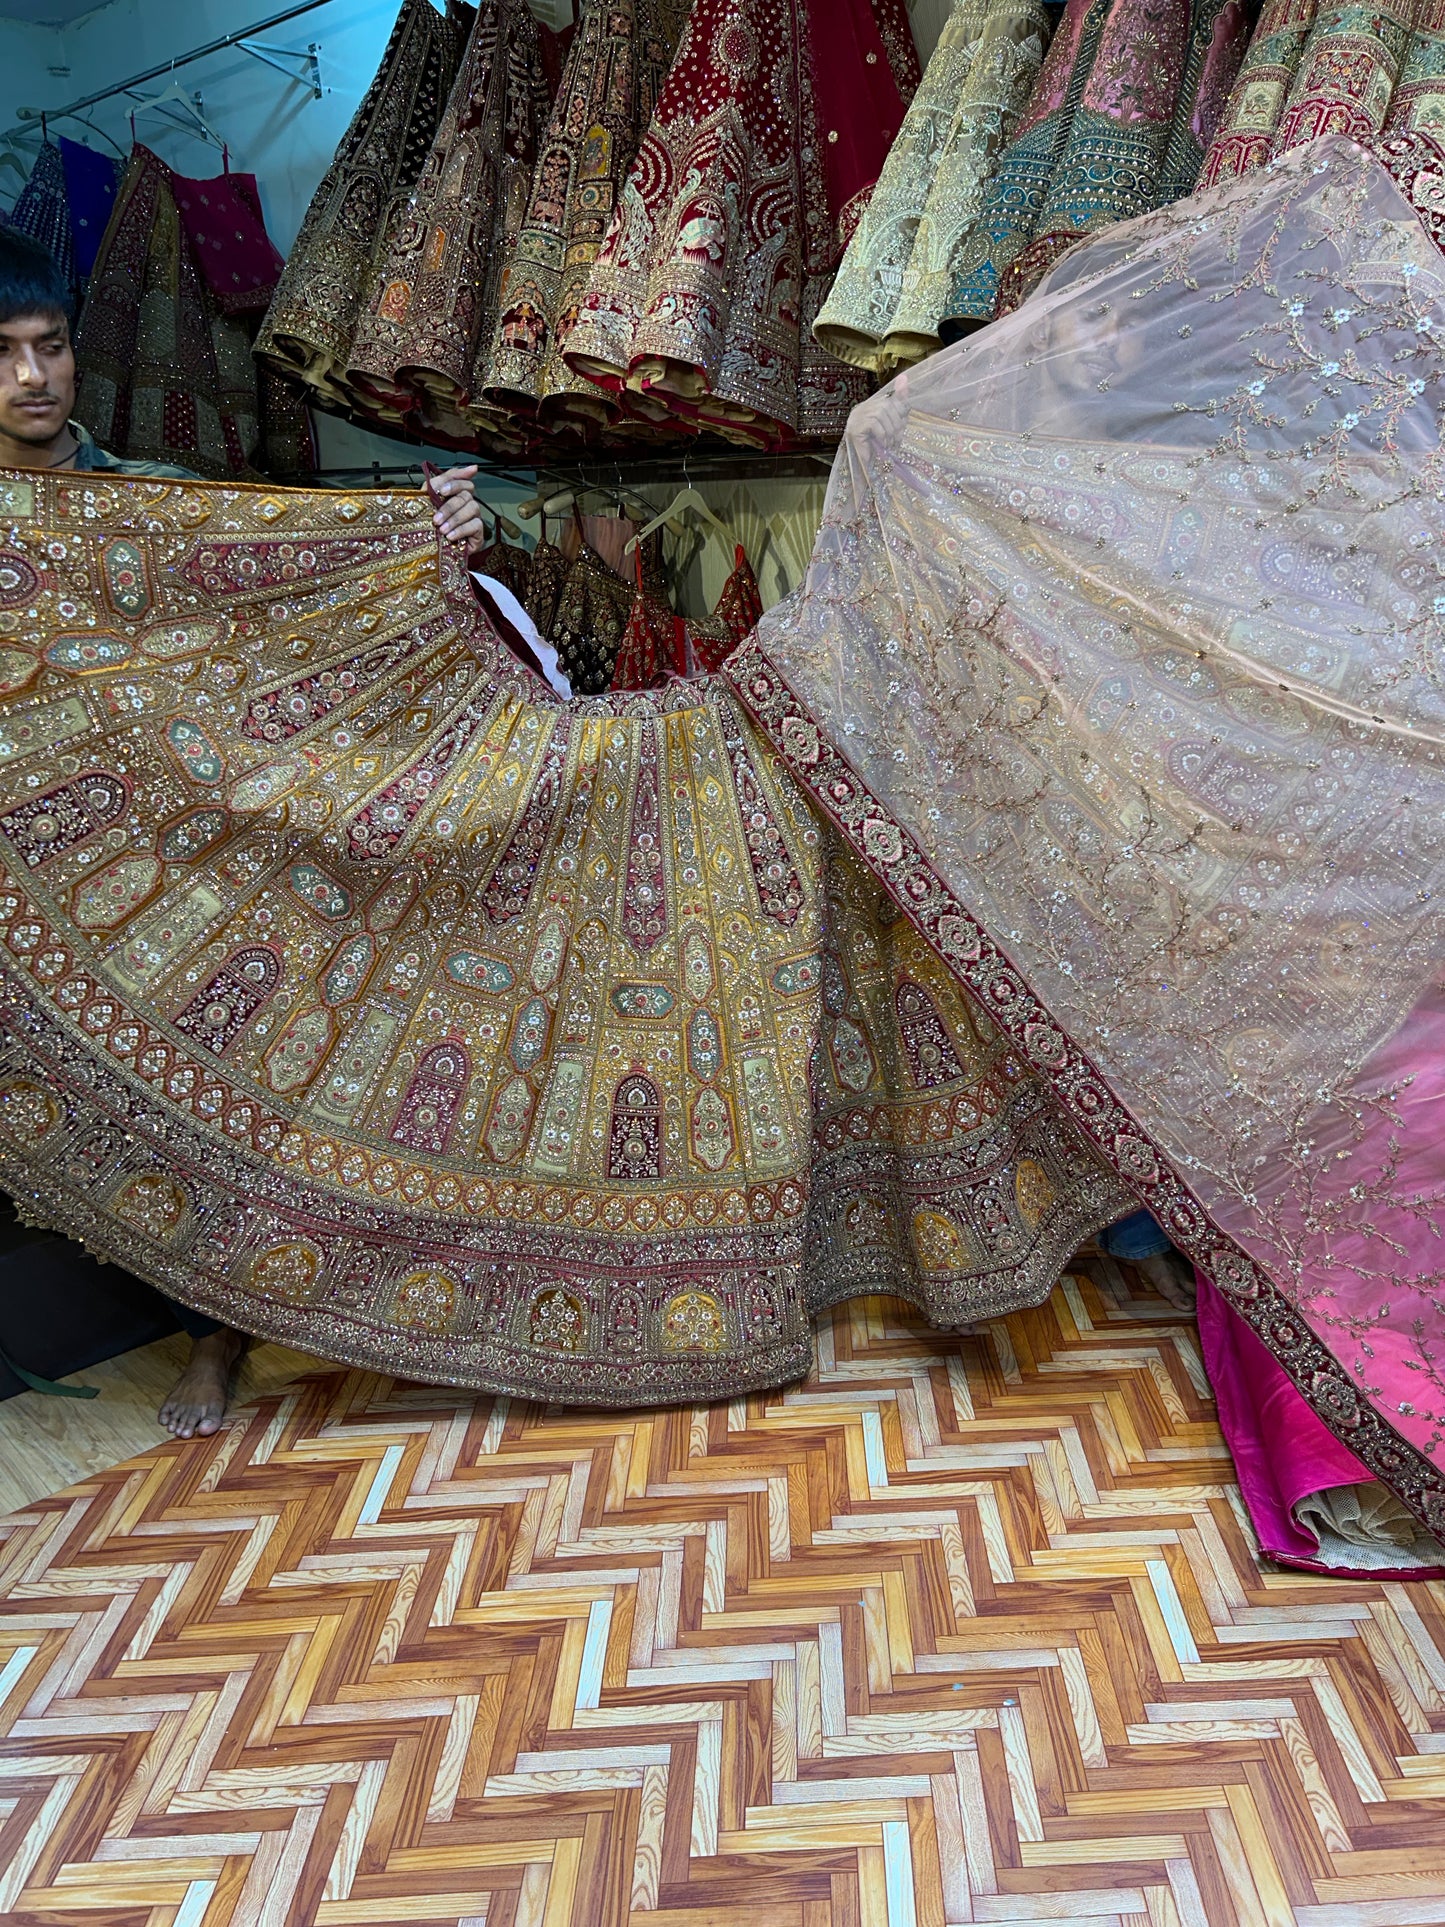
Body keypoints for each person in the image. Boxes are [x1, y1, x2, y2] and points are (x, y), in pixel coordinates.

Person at [0, 227, 490, 1438]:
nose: (31, 377)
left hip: (165, 866)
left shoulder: (153, 505)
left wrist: (421, 546)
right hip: (24, 881)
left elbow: (287, 604)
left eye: (49, 346)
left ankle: (219, 1341)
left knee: (222, 1091)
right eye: (2, 354)